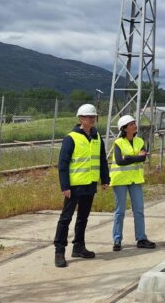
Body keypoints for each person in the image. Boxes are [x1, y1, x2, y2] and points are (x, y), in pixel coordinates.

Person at [53, 103, 110, 268]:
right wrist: (65, 186)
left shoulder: (97, 137)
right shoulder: (71, 138)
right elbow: (63, 164)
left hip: (90, 184)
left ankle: (78, 247)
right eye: (89, 117)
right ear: (81, 119)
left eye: (94, 117)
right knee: (66, 218)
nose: (92, 119)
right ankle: (59, 250)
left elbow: (101, 159)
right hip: (74, 185)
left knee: (83, 218)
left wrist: (104, 179)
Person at [110, 114, 156, 251]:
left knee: (139, 210)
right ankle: (117, 240)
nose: (134, 125)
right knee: (120, 211)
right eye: (131, 124)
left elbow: (142, 158)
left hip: (135, 179)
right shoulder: (118, 143)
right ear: (124, 128)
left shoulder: (140, 141)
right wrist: (136, 157)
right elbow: (120, 161)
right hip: (120, 180)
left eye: (134, 123)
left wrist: (130, 157)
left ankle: (141, 238)